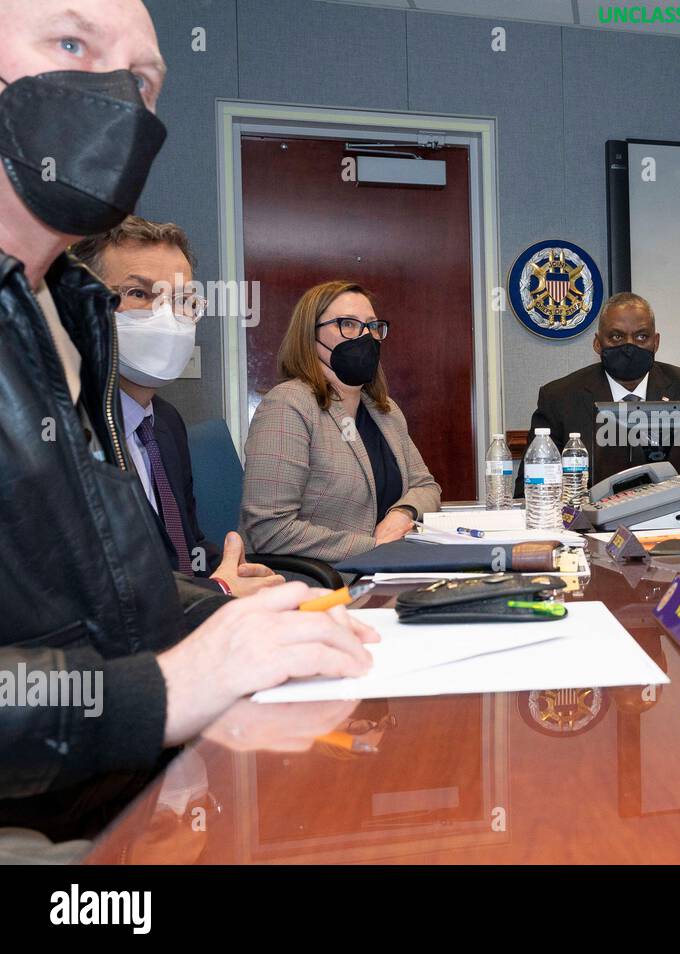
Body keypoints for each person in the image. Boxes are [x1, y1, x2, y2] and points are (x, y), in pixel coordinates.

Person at [0, 0, 376, 803]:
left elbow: (85, 596)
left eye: (141, 80)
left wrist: (223, 618)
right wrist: (162, 693)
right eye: (71, 43)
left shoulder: (60, 321)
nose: (115, 100)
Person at [69, 216, 282, 596]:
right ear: (81, 303)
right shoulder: (65, 428)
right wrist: (219, 591)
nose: (167, 317)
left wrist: (238, 574)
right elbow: (90, 589)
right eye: (139, 294)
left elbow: (184, 549)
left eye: (182, 300)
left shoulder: (165, 422)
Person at [241, 280, 442, 562]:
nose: (365, 336)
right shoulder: (288, 405)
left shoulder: (385, 411)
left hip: (383, 571)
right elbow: (270, 530)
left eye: (372, 326)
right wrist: (373, 546)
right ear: (309, 335)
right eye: (348, 324)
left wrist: (401, 513)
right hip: (317, 586)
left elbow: (427, 487)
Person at [516, 292, 680, 494]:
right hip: (593, 527)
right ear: (598, 343)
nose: (629, 346)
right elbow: (529, 489)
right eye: (616, 337)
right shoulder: (559, 398)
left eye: (641, 336)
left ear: (656, 342)